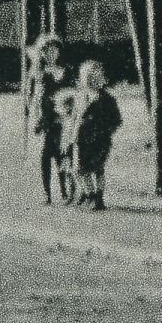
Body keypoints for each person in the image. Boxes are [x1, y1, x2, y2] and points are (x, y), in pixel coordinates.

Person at [60, 58, 123, 211]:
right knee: (79, 169)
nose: (92, 80)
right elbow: (74, 118)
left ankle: (98, 198)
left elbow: (116, 120)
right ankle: (90, 195)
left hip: (99, 140)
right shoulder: (80, 97)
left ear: (102, 79)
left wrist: (105, 131)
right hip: (80, 139)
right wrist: (69, 137)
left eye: (96, 77)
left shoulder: (107, 99)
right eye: (88, 77)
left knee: (97, 169)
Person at [22, 32, 73, 204]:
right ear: (42, 53)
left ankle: (65, 190)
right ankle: (47, 193)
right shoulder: (37, 74)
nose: (51, 53)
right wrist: (35, 116)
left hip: (63, 119)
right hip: (45, 119)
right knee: (45, 154)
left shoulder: (66, 71)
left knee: (63, 154)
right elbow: (30, 97)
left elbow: (72, 94)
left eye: (54, 50)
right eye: (47, 50)